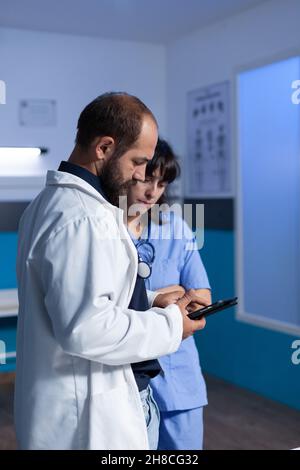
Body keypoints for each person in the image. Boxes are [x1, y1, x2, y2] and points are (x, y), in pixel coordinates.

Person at [15, 92, 208, 450]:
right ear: (104, 147)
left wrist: (149, 298)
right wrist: (171, 324)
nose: (141, 176)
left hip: (70, 404)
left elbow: (81, 297)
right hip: (86, 420)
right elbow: (86, 328)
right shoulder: (84, 217)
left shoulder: (49, 206)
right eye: (138, 162)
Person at [127, 138, 211, 450]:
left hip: (178, 374)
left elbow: (201, 296)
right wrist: (161, 295)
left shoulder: (175, 227)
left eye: (162, 184)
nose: (153, 192)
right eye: (148, 179)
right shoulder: (108, 226)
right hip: (128, 375)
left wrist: (148, 299)